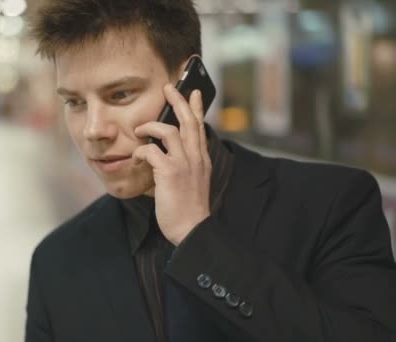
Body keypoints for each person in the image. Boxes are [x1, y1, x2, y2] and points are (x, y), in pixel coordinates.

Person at [25, 1, 396, 341]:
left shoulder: (330, 204)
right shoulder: (57, 262)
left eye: (120, 94)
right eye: (74, 102)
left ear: (190, 87)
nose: (93, 129)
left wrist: (197, 237)